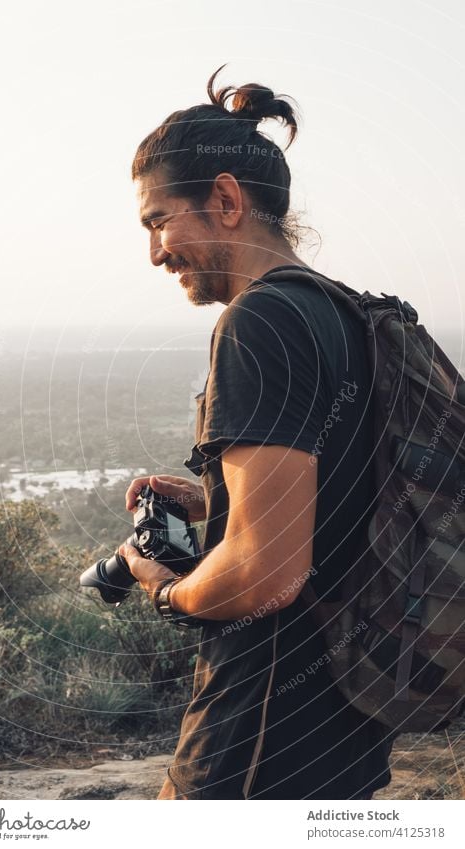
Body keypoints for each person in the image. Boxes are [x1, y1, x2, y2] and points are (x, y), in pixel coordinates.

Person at [119, 67, 395, 800]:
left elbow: (265, 575)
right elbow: (348, 479)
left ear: (226, 199)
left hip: (258, 733)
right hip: (350, 721)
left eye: (157, 221)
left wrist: (163, 588)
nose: (154, 252)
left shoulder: (257, 322)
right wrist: (216, 496)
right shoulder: (347, 315)